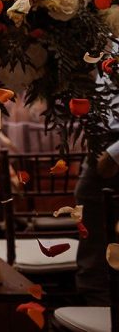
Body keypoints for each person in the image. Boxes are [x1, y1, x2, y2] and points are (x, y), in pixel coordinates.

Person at [75, 106, 119, 305]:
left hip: (112, 144)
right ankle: (97, 297)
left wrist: (115, 154)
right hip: (104, 138)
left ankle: (99, 300)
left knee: (91, 207)